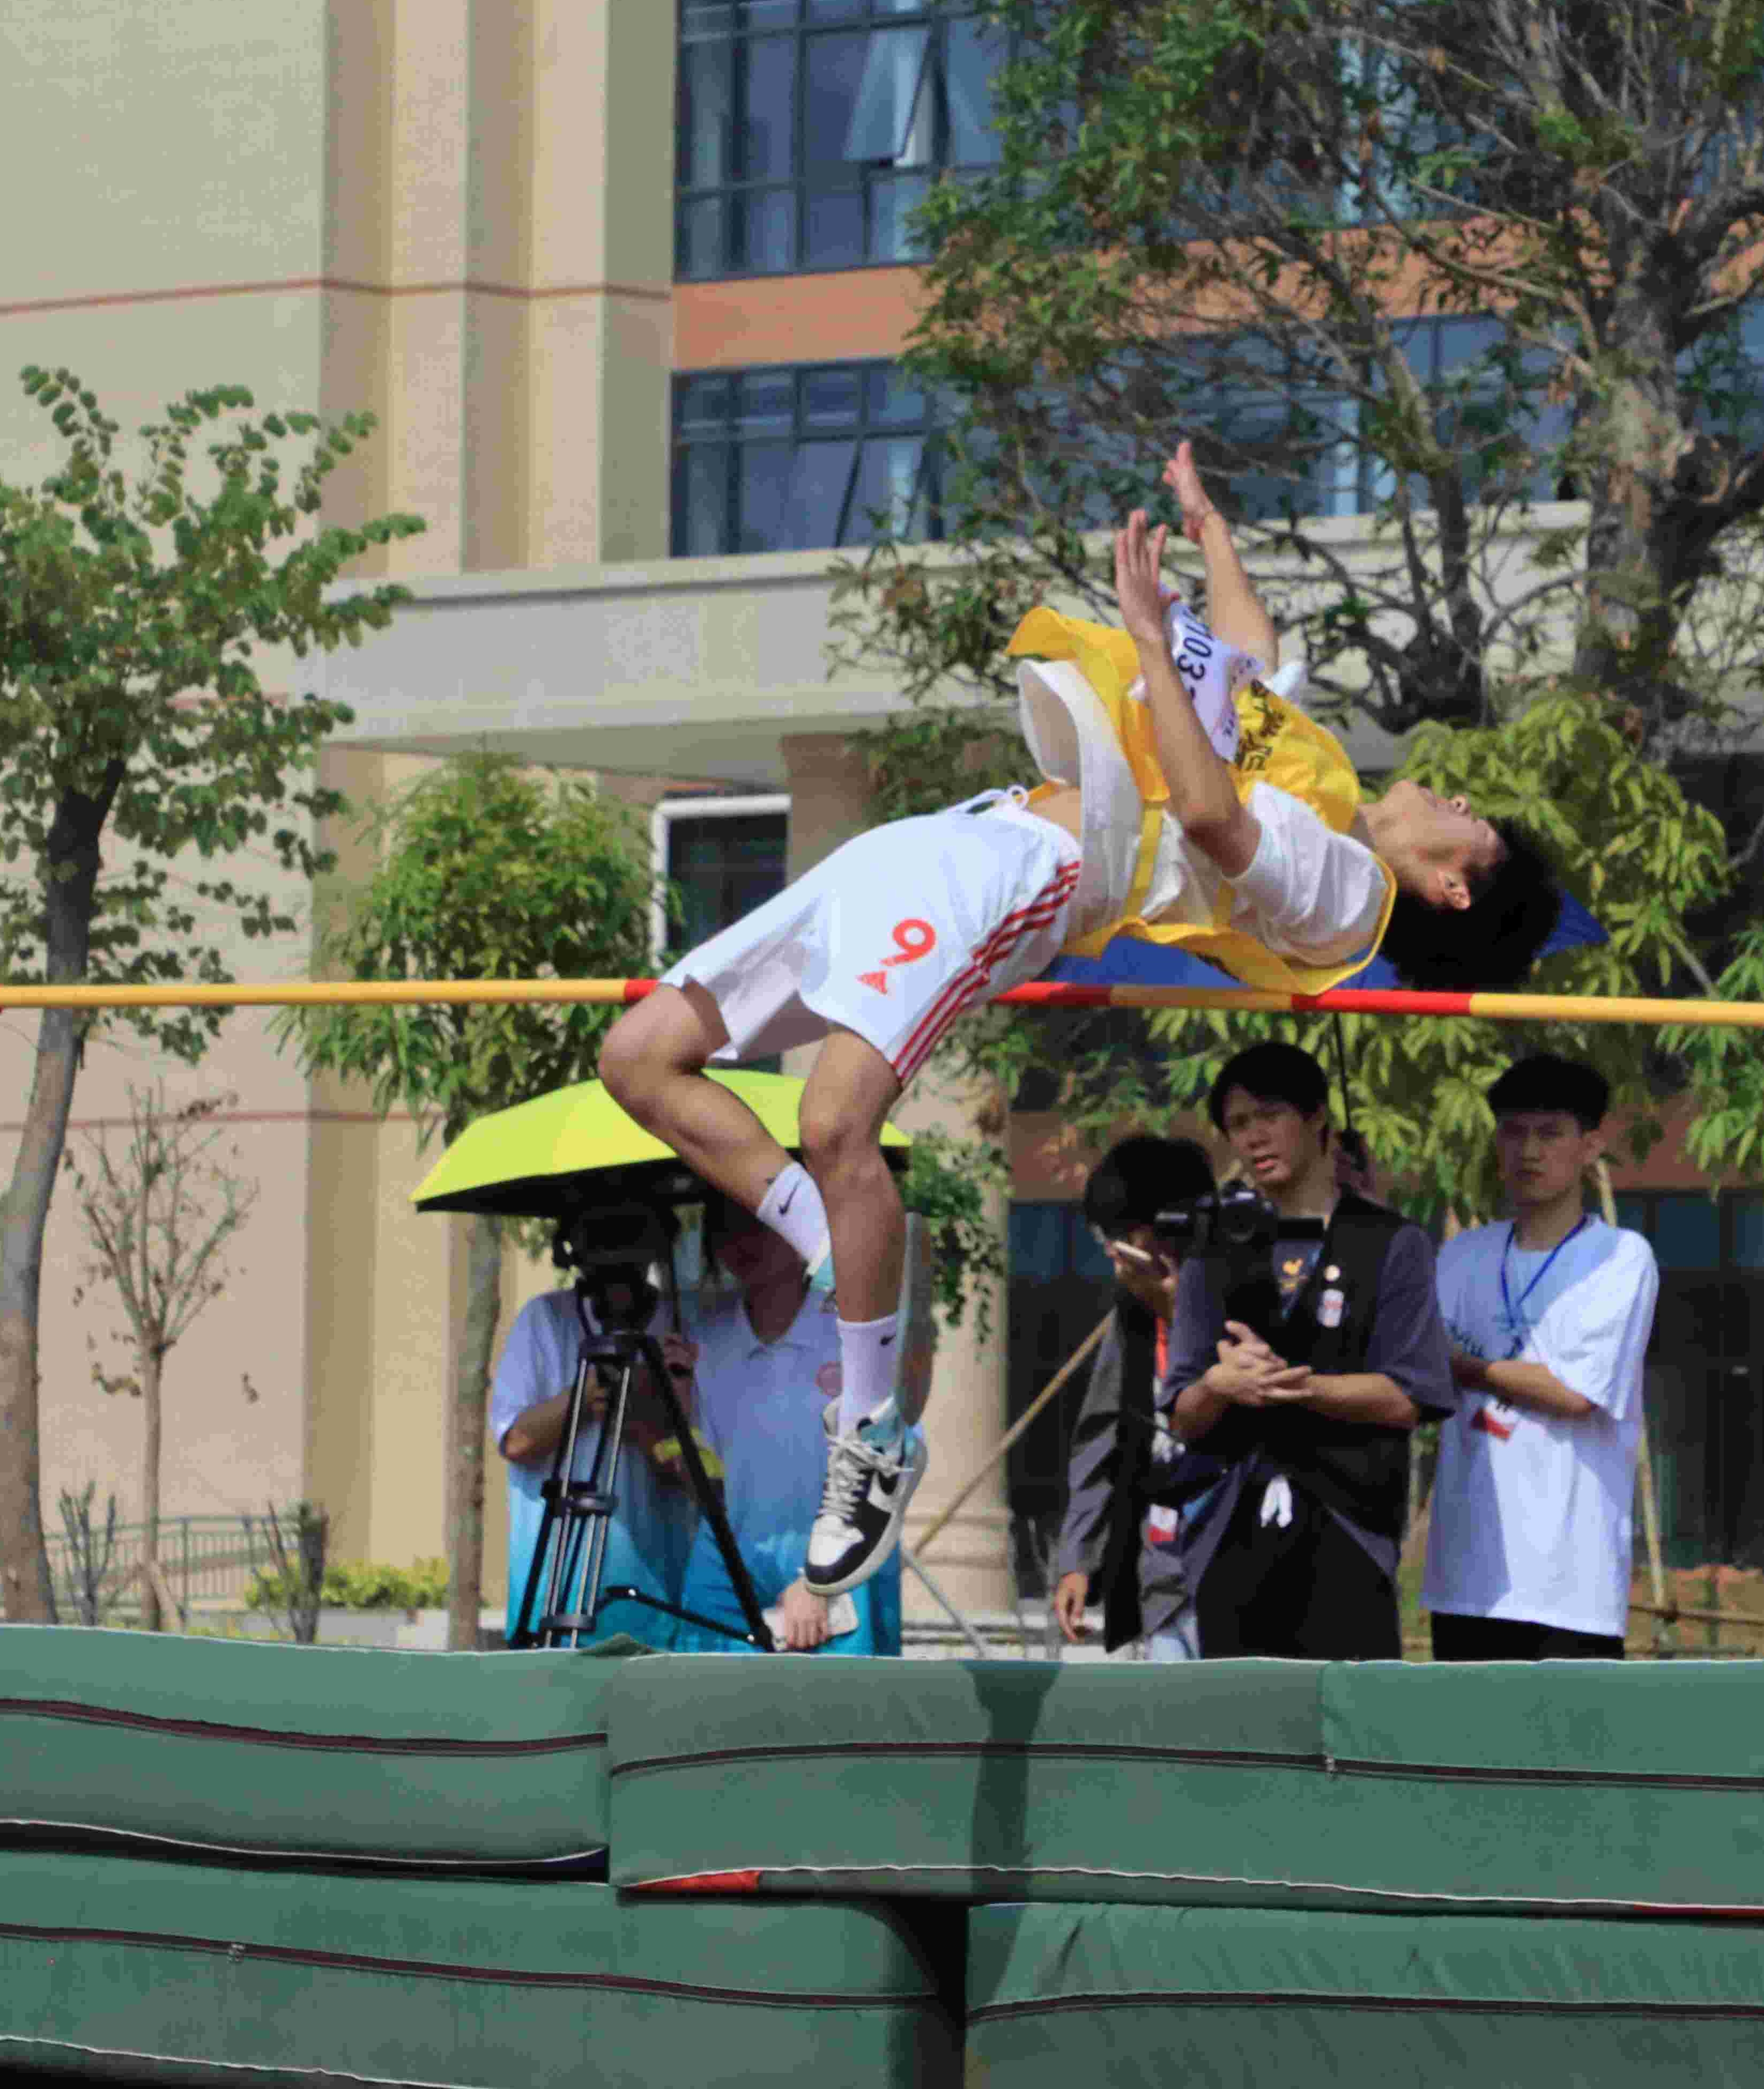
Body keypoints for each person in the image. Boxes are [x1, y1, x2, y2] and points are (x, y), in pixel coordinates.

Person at [597, 442, 1562, 1605]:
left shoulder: (1345, 888)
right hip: (941, 839)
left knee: (835, 1122)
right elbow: (1250, 656)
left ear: (1451, 888)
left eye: (1474, 825)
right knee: (638, 1057)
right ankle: (829, 1243)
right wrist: (1210, 529)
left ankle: (871, 1434)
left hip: (1019, 877)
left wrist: (1148, 632)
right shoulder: (1321, 789)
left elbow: (1206, 818)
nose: (1456, 797)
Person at [1160, 1042, 1458, 1660]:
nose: (1254, 1137)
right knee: (1239, 1714)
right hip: (1230, 1532)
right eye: (1238, 1123)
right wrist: (1218, 1386)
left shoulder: (1392, 1243)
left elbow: (1409, 1395)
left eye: (1270, 1115)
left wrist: (1291, 1386)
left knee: (1351, 1713)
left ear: (1318, 1116)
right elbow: (1183, 1412)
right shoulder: (1212, 1249)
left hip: (1352, 1528)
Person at [1428, 1055, 1660, 1662]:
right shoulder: (1461, 1256)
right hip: (1465, 1582)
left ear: (1591, 1145)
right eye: (1513, 1132)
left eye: (1550, 1134)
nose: (1528, 1151)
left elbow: (1575, 1394)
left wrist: (1470, 1368)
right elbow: (1416, 1365)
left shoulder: (1620, 1257)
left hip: (1569, 1588)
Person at [665, 1197, 905, 1655]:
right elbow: (708, 1486)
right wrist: (679, 1407)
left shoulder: (854, 1330)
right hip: (727, 1567)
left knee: (838, 1704)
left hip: (841, 1562)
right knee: (706, 1695)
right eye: (727, 1226)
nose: (743, 1240)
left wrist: (820, 1580)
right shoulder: (704, 1341)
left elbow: (888, 1465)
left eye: (762, 1223)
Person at [491, 1204, 701, 1650]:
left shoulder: (681, 1325)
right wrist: (586, 1397)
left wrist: (645, 1410)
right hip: (553, 1604)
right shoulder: (544, 1319)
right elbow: (516, 1440)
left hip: (658, 1605)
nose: (616, 1251)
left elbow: (700, 1473)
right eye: (602, 1235)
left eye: (631, 1232)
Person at [1051, 1135, 1219, 1660]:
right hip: (1160, 1586)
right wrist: (1079, 1559)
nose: (1112, 1250)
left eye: (1122, 1233)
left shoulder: (1239, 1296)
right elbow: (1101, 1439)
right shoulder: (1132, 1320)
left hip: (1235, 1576)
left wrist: (1175, 1307)